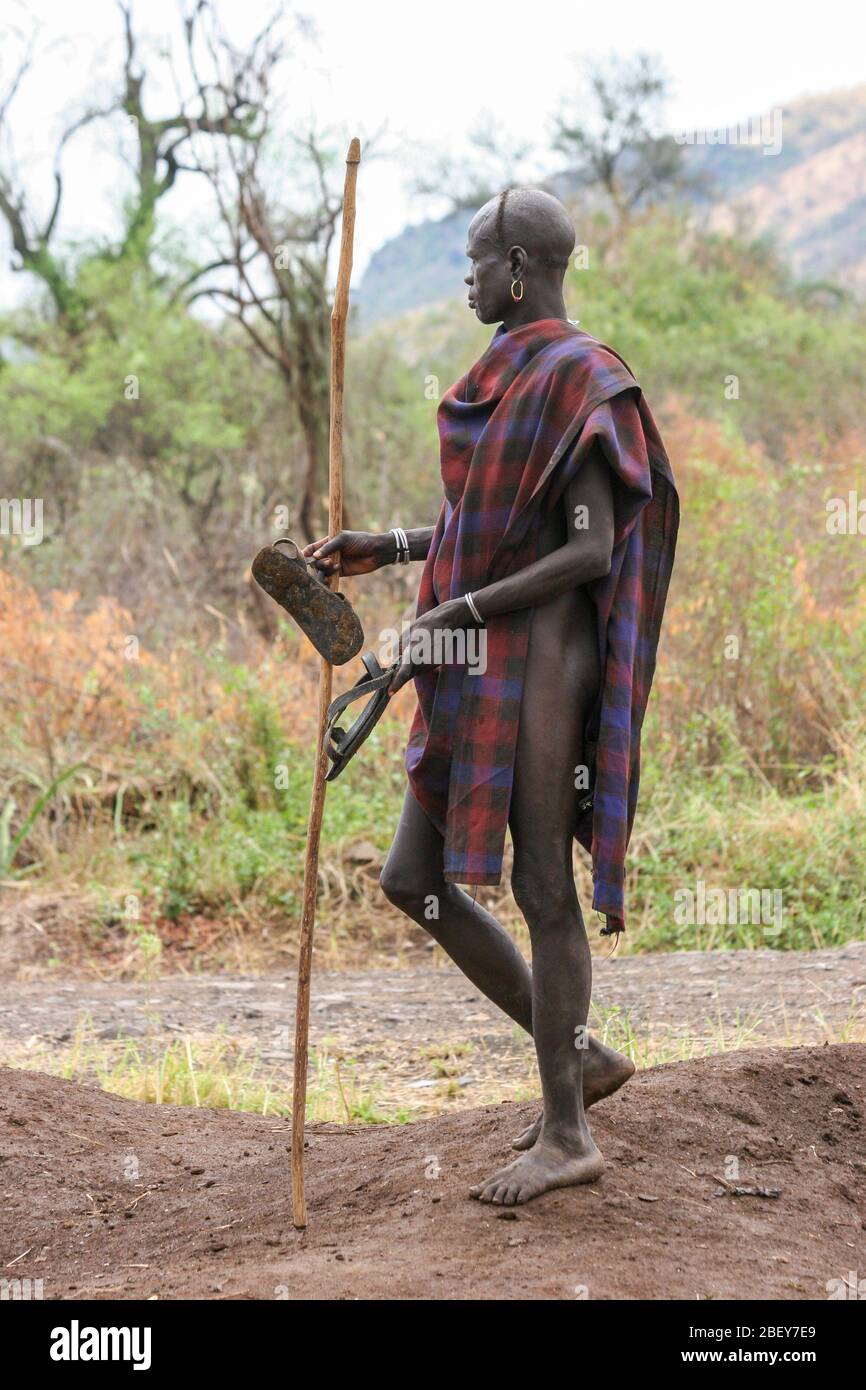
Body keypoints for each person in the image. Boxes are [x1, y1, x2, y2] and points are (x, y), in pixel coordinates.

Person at [305, 187, 678, 1205]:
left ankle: (566, 1133)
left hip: (539, 665)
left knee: (542, 891)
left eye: (474, 264)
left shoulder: (581, 377)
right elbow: (496, 520)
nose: (465, 279)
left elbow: (588, 545)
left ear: (516, 268)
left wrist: (450, 612)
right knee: (409, 875)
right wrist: (389, 549)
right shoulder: (509, 372)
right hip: (478, 660)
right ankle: (583, 1058)